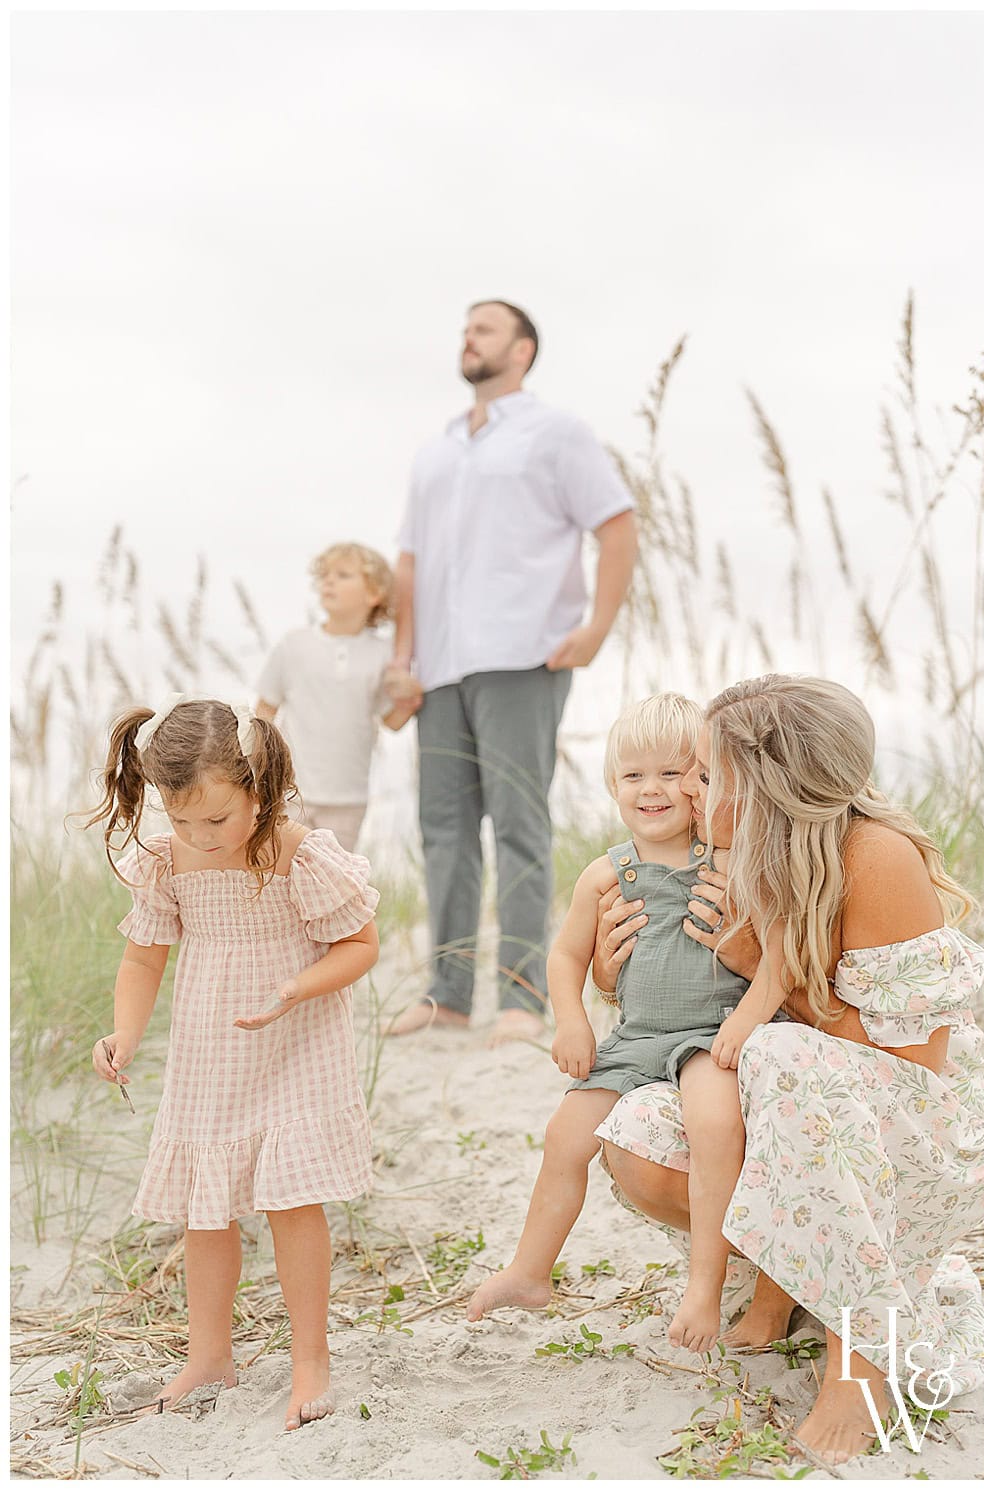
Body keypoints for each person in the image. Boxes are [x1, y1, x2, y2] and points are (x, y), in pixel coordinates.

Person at [590, 675, 984, 1464]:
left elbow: (913, 1059)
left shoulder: (873, 856)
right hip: (812, 1114)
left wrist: (764, 969)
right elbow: (671, 998)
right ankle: (793, 1281)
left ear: (766, 787)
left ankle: (858, 1354)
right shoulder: (725, 853)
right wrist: (608, 969)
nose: (688, 793)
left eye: (707, 776)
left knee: (779, 1054)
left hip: (912, 1125)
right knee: (633, 1133)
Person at [86, 694, 380, 1432]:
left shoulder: (300, 852)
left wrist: (296, 988)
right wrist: (124, 1033)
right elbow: (142, 959)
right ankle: (209, 1353)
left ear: (260, 787)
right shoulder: (167, 862)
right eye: (180, 820)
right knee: (204, 1208)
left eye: (216, 819)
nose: (198, 835)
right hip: (210, 1051)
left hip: (296, 1042)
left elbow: (360, 946)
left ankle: (310, 1356)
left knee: (290, 1198)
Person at [466, 692, 789, 1347]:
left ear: (705, 783)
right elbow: (565, 954)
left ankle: (704, 1288)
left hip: (707, 1033)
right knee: (564, 1137)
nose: (653, 789)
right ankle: (529, 1271)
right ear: (612, 785)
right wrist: (572, 1023)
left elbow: (780, 948)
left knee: (714, 1124)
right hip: (635, 1037)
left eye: (674, 773)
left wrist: (747, 1019)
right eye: (634, 775)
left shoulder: (725, 860)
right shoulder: (607, 873)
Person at [384, 299, 638, 1045]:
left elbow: (616, 523)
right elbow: (409, 559)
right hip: (439, 669)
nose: (469, 338)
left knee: (520, 826)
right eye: (465, 329)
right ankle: (448, 996)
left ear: (523, 350)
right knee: (443, 831)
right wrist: (402, 659)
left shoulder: (555, 434)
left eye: (485, 329)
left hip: (522, 653)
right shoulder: (436, 451)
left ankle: (524, 997)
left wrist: (596, 627)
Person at [256, 541, 421, 853]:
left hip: (348, 798)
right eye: (325, 574)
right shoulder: (294, 645)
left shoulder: (382, 653)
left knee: (333, 884)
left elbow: (393, 722)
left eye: (343, 575)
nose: (329, 581)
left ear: (374, 595)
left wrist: (413, 697)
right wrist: (262, 773)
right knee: (282, 880)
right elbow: (264, 710)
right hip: (289, 794)